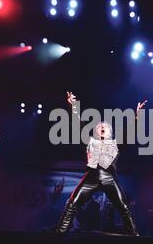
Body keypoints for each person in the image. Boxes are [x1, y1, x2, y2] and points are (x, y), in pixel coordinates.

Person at [56, 92, 147, 236]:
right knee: (72, 203)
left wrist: (137, 116)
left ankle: (134, 236)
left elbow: (129, 132)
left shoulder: (116, 143)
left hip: (109, 177)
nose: (102, 127)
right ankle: (59, 234)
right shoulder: (89, 141)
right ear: (96, 131)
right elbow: (78, 124)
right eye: (99, 126)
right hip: (91, 176)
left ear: (110, 132)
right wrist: (73, 105)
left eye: (105, 126)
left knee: (123, 207)